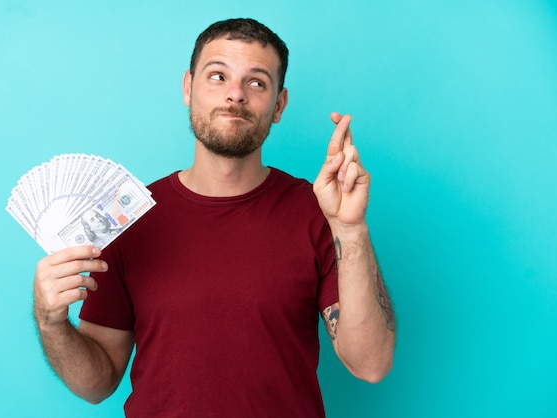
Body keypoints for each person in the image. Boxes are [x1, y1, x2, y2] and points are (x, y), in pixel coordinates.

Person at [33, 18, 396, 417]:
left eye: (256, 82)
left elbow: (371, 364)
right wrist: (52, 323)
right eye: (218, 76)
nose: (235, 95)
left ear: (278, 105)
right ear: (188, 88)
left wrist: (350, 228)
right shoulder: (128, 217)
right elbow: (96, 385)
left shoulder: (318, 212)